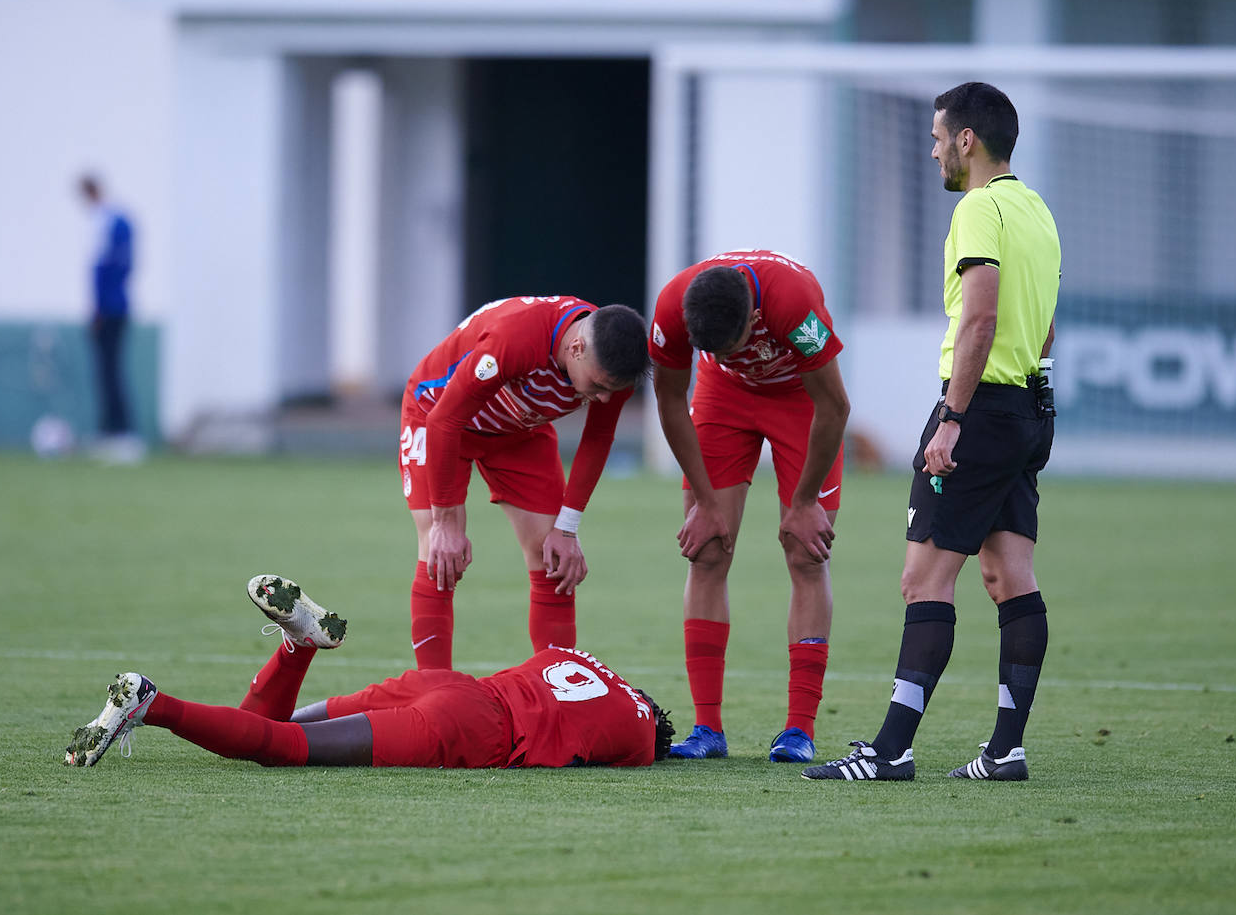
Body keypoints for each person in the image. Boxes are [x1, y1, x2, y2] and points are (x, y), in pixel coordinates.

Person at [804, 82, 1060, 782]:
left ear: (967, 141)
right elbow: (1042, 326)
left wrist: (952, 417)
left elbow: (980, 319)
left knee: (924, 579)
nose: (933, 147)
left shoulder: (979, 208)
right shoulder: (1036, 210)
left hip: (978, 411)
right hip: (1029, 407)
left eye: (938, 134)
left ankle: (890, 750)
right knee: (1010, 574)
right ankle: (1005, 750)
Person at [66, 574, 674, 769]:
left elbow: (547, 664)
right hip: (475, 727)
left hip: (448, 683)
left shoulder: (578, 659)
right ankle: (151, 703)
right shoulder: (644, 736)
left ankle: (300, 645)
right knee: (282, 747)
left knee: (262, 726)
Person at [649, 250, 851, 762]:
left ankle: (800, 731)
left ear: (756, 321)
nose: (727, 352)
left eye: (735, 345)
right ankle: (706, 729)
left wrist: (804, 502)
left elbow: (835, 406)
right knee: (708, 550)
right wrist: (705, 499)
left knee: (806, 553)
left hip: (800, 402)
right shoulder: (673, 306)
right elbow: (671, 402)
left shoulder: (794, 306)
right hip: (724, 400)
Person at [400, 296, 649, 669]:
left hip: (518, 430)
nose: (604, 398)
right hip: (437, 415)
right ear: (576, 347)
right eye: (598, 386)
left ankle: (556, 692)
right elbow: (444, 421)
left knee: (553, 559)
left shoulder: (613, 369)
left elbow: (597, 440)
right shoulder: (517, 338)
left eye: (612, 391)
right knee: (440, 552)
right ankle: (434, 691)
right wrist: (446, 524)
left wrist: (567, 529)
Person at [76, 173, 144, 464]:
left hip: (112, 309)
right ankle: (110, 431)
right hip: (114, 307)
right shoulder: (115, 221)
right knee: (106, 371)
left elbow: (107, 270)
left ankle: (122, 433)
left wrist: (99, 309)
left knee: (110, 370)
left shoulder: (110, 222)